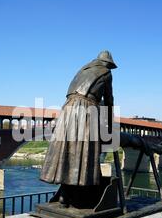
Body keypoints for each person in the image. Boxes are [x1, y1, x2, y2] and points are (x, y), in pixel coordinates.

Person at [40, 51, 117, 205]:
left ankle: (64, 194)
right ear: (107, 63)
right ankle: (78, 196)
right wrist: (109, 123)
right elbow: (108, 100)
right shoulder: (106, 73)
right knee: (84, 152)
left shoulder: (82, 70)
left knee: (66, 152)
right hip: (86, 109)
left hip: (67, 109)